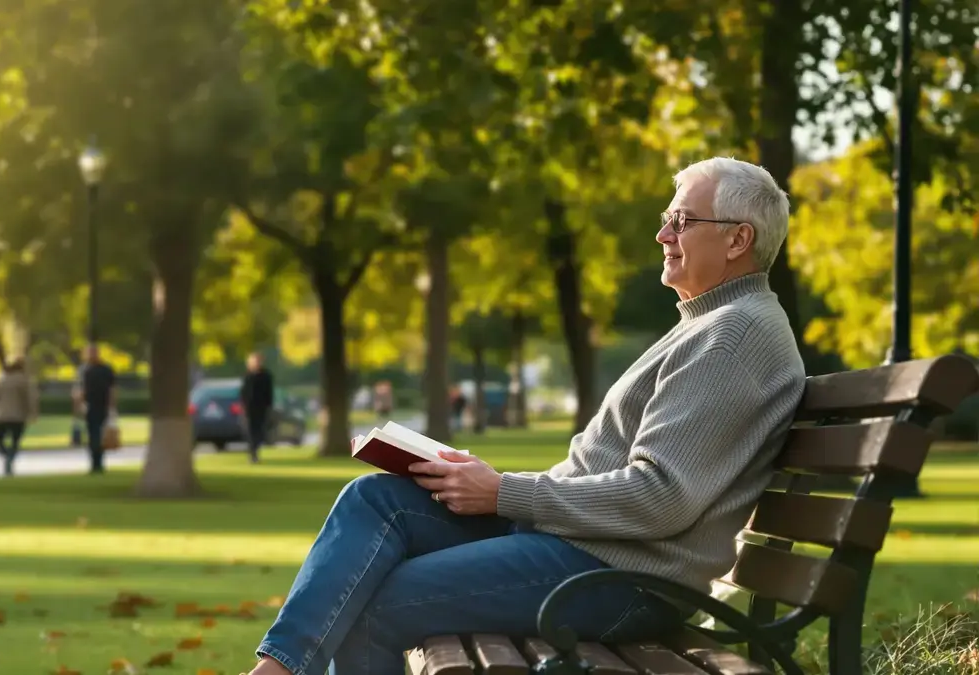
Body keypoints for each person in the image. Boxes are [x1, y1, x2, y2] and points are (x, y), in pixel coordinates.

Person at [242, 157, 807, 675]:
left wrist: (506, 493)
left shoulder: (732, 335)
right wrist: (488, 483)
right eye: (667, 218)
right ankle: (278, 668)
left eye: (682, 221)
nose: (663, 234)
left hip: (624, 579)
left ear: (738, 239)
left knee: (376, 604)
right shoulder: (709, 323)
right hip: (586, 548)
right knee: (375, 500)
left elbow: (660, 497)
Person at [0, 356, 39, 476]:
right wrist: (33, 412)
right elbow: (32, 398)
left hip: (1, 415)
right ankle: (10, 457)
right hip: (18, 416)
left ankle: (5, 454)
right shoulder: (25, 380)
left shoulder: (0, 379)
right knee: (15, 441)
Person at [74, 344, 116, 474]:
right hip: (89, 406)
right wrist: (78, 405)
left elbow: (112, 389)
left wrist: (112, 405)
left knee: (100, 435)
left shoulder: (106, 369)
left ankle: (98, 462)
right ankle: (95, 463)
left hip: (102, 405)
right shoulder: (83, 370)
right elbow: (79, 389)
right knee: (93, 435)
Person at [239, 352, 274, 464]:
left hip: (261, 407)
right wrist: (243, 405)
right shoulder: (247, 376)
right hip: (249, 408)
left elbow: (269, 393)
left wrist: (269, 406)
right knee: (250, 431)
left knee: (260, 431)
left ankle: (256, 450)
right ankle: (253, 454)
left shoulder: (266, 376)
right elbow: (243, 392)